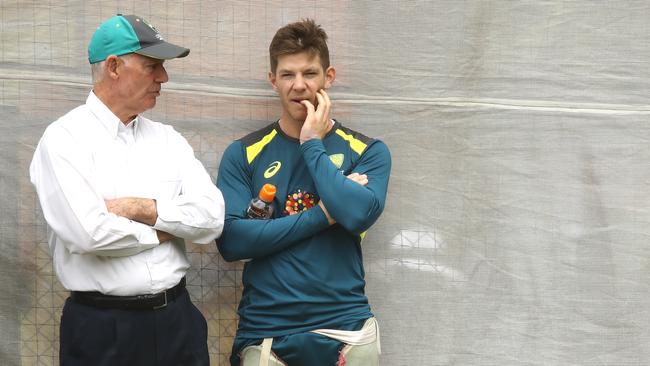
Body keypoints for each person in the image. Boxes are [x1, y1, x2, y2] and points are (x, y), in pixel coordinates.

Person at [29, 14, 224, 366]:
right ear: (114, 66)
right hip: (102, 330)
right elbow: (89, 235)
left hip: (177, 321)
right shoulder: (63, 140)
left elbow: (212, 218)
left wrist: (143, 209)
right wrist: (168, 231)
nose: (163, 77)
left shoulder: (168, 140)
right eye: (152, 66)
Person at [216, 18, 391, 366]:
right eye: (287, 75)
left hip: (346, 331)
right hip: (267, 334)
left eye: (310, 73)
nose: (299, 86)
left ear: (329, 76)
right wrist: (325, 214)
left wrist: (311, 143)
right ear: (272, 80)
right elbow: (232, 242)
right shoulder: (244, 153)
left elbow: (356, 214)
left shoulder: (367, 151)